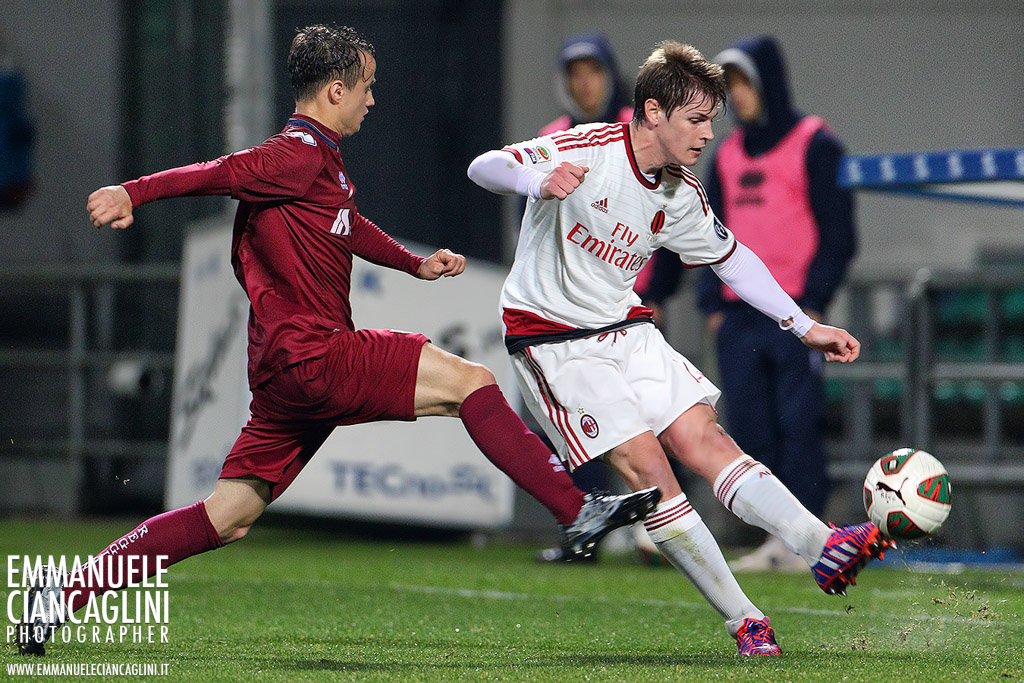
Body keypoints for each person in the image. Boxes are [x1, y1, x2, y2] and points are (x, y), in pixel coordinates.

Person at [15, 24, 661, 657]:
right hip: (315, 355)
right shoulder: (292, 154)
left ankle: (62, 591)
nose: (372, 100)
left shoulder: (317, 159)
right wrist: (131, 191)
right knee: (472, 383)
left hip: (281, 375)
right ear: (333, 92)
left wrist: (416, 265)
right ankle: (576, 510)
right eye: (366, 88)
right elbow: (219, 171)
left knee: (227, 515)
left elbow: (348, 225)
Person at [468, 40, 891, 656]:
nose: (708, 133)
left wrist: (803, 326)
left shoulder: (680, 192)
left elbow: (733, 260)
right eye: (696, 118)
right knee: (650, 467)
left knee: (705, 439)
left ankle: (821, 546)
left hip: (627, 330)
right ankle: (744, 619)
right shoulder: (586, 148)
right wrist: (537, 175)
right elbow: (484, 166)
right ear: (653, 111)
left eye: (712, 119)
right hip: (554, 341)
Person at [696, 36, 857, 572]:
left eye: (744, 82)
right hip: (739, 318)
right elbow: (705, 231)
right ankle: (774, 542)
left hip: (795, 314)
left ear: (769, 81)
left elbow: (839, 234)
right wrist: (710, 304)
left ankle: (811, 535)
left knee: (798, 422)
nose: (738, 96)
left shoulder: (816, 143)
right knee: (750, 426)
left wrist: (814, 300)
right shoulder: (727, 153)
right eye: (730, 86)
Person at [533, 34, 681, 563]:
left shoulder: (640, 129)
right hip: (568, 311)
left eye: (593, 70)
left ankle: (661, 527)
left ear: (609, 74)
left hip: (628, 306)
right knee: (574, 419)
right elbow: (529, 222)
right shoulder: (553, 136)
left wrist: (659, 292)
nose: (584, 82)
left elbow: (670, 216)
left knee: (650, 410)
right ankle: (583, 529)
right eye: (575, 72)